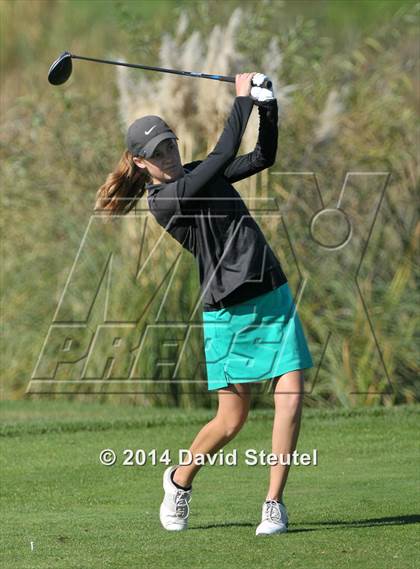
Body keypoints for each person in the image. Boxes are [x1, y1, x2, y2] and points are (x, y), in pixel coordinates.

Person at [95, 72, 314, 536]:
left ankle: (273, 503)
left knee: (290, 399)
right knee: (230, 420)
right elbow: (225, 154)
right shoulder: (166, 199)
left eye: (170, 145)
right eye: (157, 154)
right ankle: (178, 480)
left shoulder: (194, 172)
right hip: (227, 310)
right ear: (139, 163)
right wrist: (242, 99)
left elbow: (261, 156)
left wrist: (267, 106)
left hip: (271, 291)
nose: (169, 156)